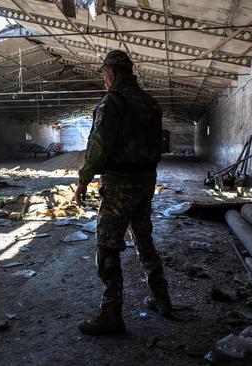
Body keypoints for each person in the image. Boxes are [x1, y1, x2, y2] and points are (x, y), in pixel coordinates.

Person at [75, 50, 173, 336]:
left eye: (105, 75)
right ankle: (162, 299)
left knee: (107, 245)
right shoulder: (151, 103)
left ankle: (111, 314)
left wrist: (84, 179)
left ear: (113, 74)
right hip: (146, 182)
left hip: (119, 184)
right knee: (144, 239)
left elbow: (99, 144)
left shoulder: (113, 101)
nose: (104, 80)